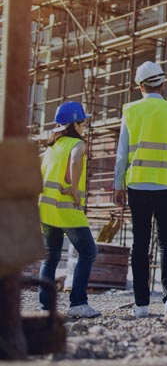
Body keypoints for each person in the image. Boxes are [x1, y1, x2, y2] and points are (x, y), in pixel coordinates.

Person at [113, 61, 167, 317]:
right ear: (163, 83)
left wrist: (117, 184)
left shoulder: (131, 111)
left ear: (140, 86)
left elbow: (122, 152)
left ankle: (141, 305)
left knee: (140, 243)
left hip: (137, 184)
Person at [39, 101, 100, 318]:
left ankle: (46, 309)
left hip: (46, 210)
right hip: (67, 209)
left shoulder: (51, 148)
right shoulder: (78, 144)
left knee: (50, 258)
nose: (84, 126)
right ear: (75, 122)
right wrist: (74, 190)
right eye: (83, 122)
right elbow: (75, 162)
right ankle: (78, 303)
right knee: (88, 252)